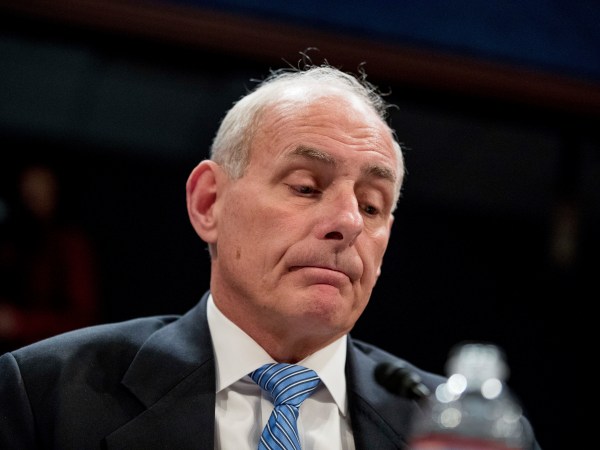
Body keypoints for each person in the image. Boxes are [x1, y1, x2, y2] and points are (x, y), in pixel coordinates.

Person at [0, 61, 542, 449]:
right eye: (306, 187)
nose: (349, 222)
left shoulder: (463, 433)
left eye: (371, 206)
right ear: (209, 203)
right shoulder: (45, 393)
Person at [0, 162, 99, 354]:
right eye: (26, 196)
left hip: (53, 357)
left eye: (36, 196)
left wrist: (19, 323)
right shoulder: (15, 244)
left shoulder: (70, 245)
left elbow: (83, 319)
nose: (29, 205)